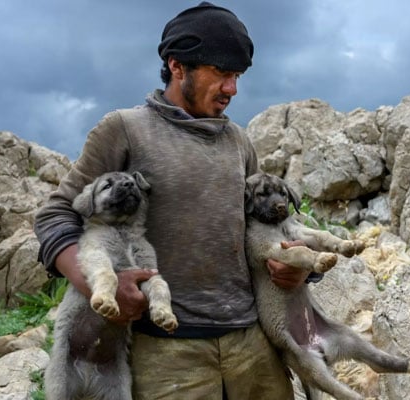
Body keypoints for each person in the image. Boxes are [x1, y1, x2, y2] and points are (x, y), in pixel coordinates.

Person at [34, 2, 311, 398]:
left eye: (237, 76)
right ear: (177, 66)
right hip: (167, 349)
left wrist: (295, 265)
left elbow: (261, 227)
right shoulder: (125, 129)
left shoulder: (239, 142)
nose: (232, 88)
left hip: (251, 344)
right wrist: (103, 286)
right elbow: (55, 215)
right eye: (220, 73)